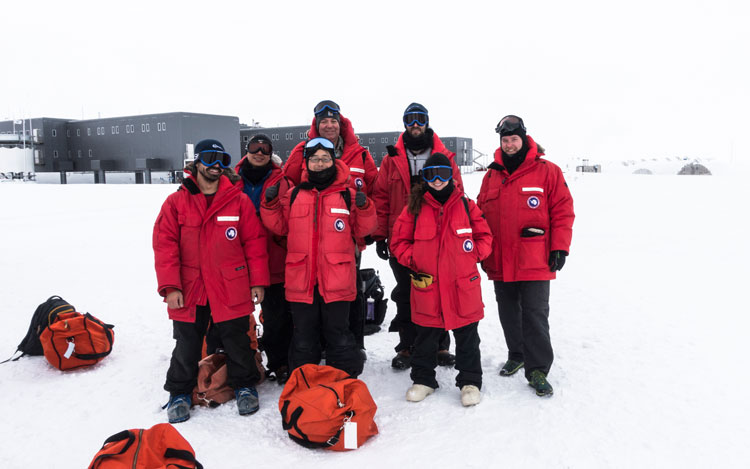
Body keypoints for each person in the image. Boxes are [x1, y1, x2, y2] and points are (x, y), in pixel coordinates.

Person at [153, 138, 270, 423]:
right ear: (196, 163)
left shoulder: (238, 201)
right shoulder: (176, 202)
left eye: (223, 160)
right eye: (209, 158)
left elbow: (254, 243)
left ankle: (244, 386)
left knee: (237, 339)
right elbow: (164, 245)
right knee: (186, 343)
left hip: (231, 283)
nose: (216, 166)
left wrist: (257, 282)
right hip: (189, 287)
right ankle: (179, 392)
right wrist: (171, 286)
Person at [476, 115, 575, 397]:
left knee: (534, 313)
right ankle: (517, 354)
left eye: (514, 139)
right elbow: (480, 215)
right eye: (505, 140)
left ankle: (538, 369)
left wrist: (560, 247)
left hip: (535, 258)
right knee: (508, 311)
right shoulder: (491, 175)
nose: (509, 145)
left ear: (524, 139)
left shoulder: (548, 171)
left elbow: (563, 211)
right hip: (499, 258)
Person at [262, 137, 377, 378]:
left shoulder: (347, 195)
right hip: (301, 279)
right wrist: (271, 205)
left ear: (334, 162)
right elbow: (280, 228)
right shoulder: (294, 195)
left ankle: (344, 381)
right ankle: (303, 381)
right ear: (307, 164)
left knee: (338, 332)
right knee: (304, 334)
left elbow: (363, 230)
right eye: (315, 159)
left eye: (325, 159)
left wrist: (365, 208)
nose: (320, 163)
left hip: (337, 279)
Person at [389, 153, 492, 406]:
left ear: (451, 176)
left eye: (443, 174)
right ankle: (423, 380)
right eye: (431, 174)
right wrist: (413, 258)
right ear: (424, 178)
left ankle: (470, 382)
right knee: (425, 336)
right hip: (428, 286)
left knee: (468, 336)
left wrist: (473, 255)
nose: (437, 180)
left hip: (462, 285)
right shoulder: (414, 208)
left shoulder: (467, 206)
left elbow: (485, 237)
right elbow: (399, 242)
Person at [371, 102, 464, 370]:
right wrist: (380, 236)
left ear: (426, 122)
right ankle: (407, 346)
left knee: (438, 291)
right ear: (404, 124)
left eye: (419, 119)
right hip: (402, 238)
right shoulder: (391, 160)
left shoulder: (443, 156)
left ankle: (441, 345)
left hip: (437, 237)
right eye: (410, 119)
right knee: (405, 293)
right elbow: (381, 197)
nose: (415, 124)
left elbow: (458, 194)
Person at [283, 100, 379, 355]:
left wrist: (368, 220)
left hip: (347, 235)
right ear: (316, 124)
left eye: (333, 121)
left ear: (340, 123)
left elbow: (377, 189)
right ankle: (320, 348)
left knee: (349, 294)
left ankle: (351, 347)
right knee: (314, 294)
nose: (328, 125)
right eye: (323, 121)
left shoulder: (359, 153)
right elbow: (288, 185)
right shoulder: (302, 150)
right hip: (311, 233)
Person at [235, 134, 293, 384]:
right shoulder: (231, 180)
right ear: (246, 150)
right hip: (236, 256)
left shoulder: (283, 181)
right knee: (233, 317)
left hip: (274, 257)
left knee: (277, 316)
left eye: (265, 149)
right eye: (254, 148)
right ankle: (234, 363)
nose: (259, 152)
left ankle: (280, 362)